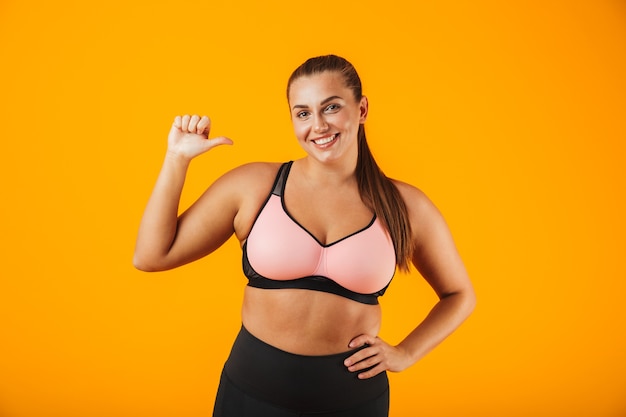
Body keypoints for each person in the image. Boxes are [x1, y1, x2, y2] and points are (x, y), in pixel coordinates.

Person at [134, 54, 476, 417]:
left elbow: (459, 295)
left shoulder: (406, 205)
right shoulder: (254, 186)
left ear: (361, 109)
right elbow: (151, 256)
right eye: (303, 113)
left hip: (353, 403)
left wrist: (407, 353)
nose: (318, 125)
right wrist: (176, 158)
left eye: (331, 107)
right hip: (250, 395)